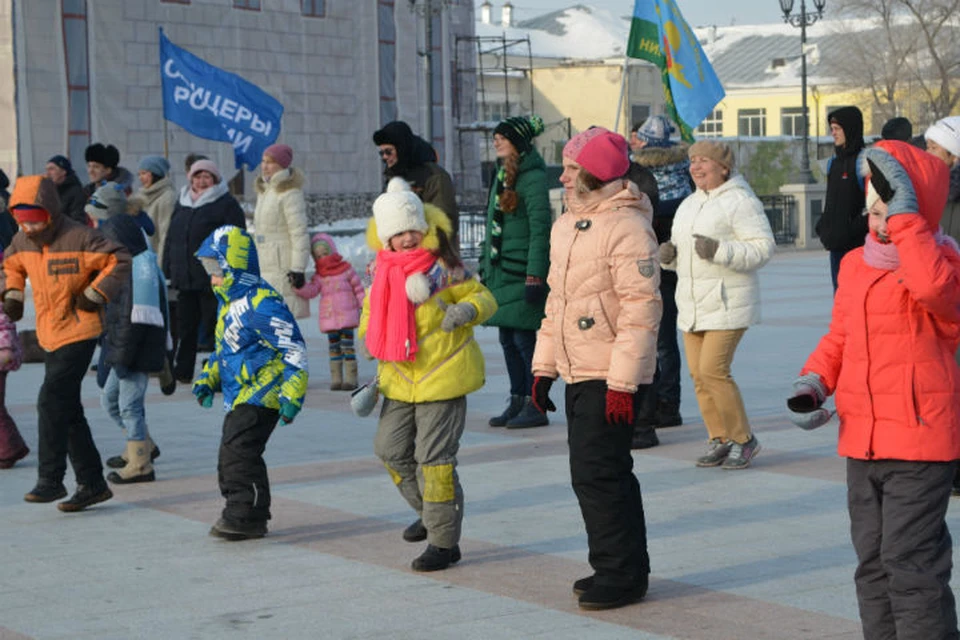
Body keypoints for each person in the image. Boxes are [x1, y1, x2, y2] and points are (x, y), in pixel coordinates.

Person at [787, 140, 960, 639]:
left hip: (920, 442)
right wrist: (814, 382)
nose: (878, 207)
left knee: (911, 565)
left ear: (917, 202)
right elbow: (839, 335)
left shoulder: (941, 262)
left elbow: (934, 293)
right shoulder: (857, 264)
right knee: (873, 566)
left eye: (892, 196)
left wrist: (909, 225)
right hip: (862, 441)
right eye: (875, 196)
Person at [531, 127, 661, 611]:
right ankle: (614, 562)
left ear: (594, 173)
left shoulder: (626, 226)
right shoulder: (568, 222)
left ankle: (622, 573)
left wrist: (624, 384)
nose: (562, 176)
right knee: (592, 473)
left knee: (600, 473)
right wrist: (543, 367)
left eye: (570, 168)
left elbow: (641, 309)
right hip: (578, 368)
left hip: (610, 374)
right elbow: (557, 304)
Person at [359, 177, 496, 571]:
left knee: (433, 460)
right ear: (386, 237)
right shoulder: (379, 272)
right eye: (397, 232)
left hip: (443, 373)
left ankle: (444, 542)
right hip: (399, 379)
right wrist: (373, 338)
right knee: (390, 450)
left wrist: (467, 311)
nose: (406, 238)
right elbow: (369, 318)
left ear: (423, 227)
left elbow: (483, 297)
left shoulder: (444, 268)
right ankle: (432, 512)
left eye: (411, 230)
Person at [2, 175, 131, 511]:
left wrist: (94, 293)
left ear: (50, 212)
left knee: (50, 401)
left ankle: (51, 480)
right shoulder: (22, 240)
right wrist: (13, 293)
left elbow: (119, 259)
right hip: (49, 333)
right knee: (68, 411)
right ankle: (92, 484)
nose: (30, 228)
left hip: (80, 328)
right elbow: (10, 264)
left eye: (35, 220)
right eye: (23, 222)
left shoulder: (81, 236)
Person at [659, 140, 775, 470]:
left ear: (723, 167)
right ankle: (720, 437)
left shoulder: (740, 200)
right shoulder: (689, 204)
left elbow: (763, 248)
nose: (695, 166)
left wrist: (720, 250)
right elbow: (686, 255)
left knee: (713, 371)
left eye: (703, 161)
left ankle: (743, 439)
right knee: (698, 375)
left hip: (728, 302)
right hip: (693, 304)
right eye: (692, 161)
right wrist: (670, 258)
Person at [193, 225, 309, 541]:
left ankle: (246, 514)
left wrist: (292, 394)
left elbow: (293, 347)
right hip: (240, 391)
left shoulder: (262, 303)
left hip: (265, 392)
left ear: (236, 265)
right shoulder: (227, 303)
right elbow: (224, 349)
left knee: (239, 451)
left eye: (218, 270)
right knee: (231, 451)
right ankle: (245, 511)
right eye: (209, 271)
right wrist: (208, 378)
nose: (213, 278)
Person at [479, 115, 552, 429]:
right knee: (507, 339)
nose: (496, 141)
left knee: (524, 340)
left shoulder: (533, 178)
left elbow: (540, 230)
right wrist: (485, 267)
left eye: (502, 137)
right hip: (502, 272)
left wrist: (536, 275)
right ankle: (517, 399)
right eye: (495, 137)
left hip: (522, 272)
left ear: (518, 143)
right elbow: (493, 223)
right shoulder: (501, 174)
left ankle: (536, 405)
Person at [97, 214, 169, 484]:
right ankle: (142, 445)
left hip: (136, 353)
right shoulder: (124, 267)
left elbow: (136, 322)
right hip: (123, 349)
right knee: (110, 401)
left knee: (129, 407)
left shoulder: (141, 272)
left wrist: (122, 358)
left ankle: (141, 465)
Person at [630, 115, 692, 433]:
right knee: (663, 340)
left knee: (659, 341)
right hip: (672, 266)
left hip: (657, 266)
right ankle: (667, 404)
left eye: (638, 139)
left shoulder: (638, 178)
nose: (633, 143)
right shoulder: (686, 175)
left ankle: (663, 404)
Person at [163, 159, 245, 384]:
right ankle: (183, 370)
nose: (202, 181)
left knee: (215, 327)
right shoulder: (182, 202)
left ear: (215, 180)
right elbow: (171, 239)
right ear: (191, 179)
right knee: (186, 326)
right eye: (197, 176)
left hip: (214, 277)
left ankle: (219, 373)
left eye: (206, 177)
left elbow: (237, 238)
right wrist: (167, 269)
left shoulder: (225, 204)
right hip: (185, 277)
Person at [293, 233, 364, 391]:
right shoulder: (320, 276)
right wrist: (299, 286)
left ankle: (351, 379)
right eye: (318, 256)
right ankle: (337, 378)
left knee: (347, 347)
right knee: (334, 348)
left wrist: (364, 305)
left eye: (325, 253)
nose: (323, 258)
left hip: (347, 317)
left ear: (332, 250)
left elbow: (358, 289)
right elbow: (312, 291)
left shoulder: (346, 270)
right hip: (330, 318)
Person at [373, 121, 459, 241]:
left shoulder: (434, 176)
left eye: (388, 151)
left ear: (401, 148)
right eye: (381, 153)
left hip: (433, 253)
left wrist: (419, 249)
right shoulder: (392, 176)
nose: (385, 157)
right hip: (401, 253)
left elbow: (444, 222)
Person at [253, 143, 311, 319]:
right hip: (265, 262)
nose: (265, 166)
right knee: (267, 317)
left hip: (282, 263)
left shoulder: (289, 192)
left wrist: (298, 268)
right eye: (263, 161)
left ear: (282, 165)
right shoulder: (265, 191)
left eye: (270, 162)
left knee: (282, 317)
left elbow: (299, 231)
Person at [816, 107, 867, 291]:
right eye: (832, 128)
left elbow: (873, 204)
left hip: (857, 247)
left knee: (856, 297)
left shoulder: (865, 162)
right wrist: (823, 226)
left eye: (838, 128)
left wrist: (853, 228)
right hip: (836, 247)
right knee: (840, 299)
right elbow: (831, 202)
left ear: (850, 128)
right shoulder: (833, 164)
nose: (833, 133)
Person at [0, 253, 26, 469]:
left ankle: (10, 450)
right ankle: (11, 447)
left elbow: (6, 327)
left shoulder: (4, 298)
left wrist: (5, 350)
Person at [131, 155, 178, 265]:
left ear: (155, 173)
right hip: (139, 260)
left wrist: (161, 266)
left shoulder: (167, 197)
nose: (141, 178)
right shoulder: (138, 197)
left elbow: (165, 235)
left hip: (155, 260)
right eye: (139, 174)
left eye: (144, 173)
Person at [45, 155, 87, 224]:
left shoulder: (76, 192)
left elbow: (78, 220)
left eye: (52, 169)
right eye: (47, 170)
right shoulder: (50, 191)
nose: (47, 173)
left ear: (63, 171)